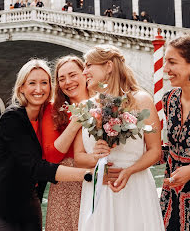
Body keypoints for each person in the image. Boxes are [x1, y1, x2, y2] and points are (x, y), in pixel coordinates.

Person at [0, 59, 94, 231]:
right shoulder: (12, 118)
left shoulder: (49, 115)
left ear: (51, 87)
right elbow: (36, 167)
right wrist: (89, 175)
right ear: (22, 88)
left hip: (30, 203)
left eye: (44, 83)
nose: (39, 89)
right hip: (1, 205)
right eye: (32, 83)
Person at [74, 45, 165, 231]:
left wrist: (129, 171)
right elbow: (78, 157)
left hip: (135, 188)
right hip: (99, 191)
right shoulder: (86, 106)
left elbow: (155, 151)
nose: (84, 72)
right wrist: (94, 157)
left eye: (89, 65)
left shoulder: (141, 100)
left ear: (108, 66)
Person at [42, 56, 89, 231]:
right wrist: (76, 121)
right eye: (62, 79)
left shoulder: (105, 104)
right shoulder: (52, 109)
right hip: (66, 185)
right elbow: (52, 157)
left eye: (72, 75)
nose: (68, 82)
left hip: (101, 179)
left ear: (85, 74)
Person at [160, 35, 190, 231]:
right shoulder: (169, 99)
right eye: (165, 61)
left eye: (172, 62)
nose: (165, 69)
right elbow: (173, 148)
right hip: (171, 194)